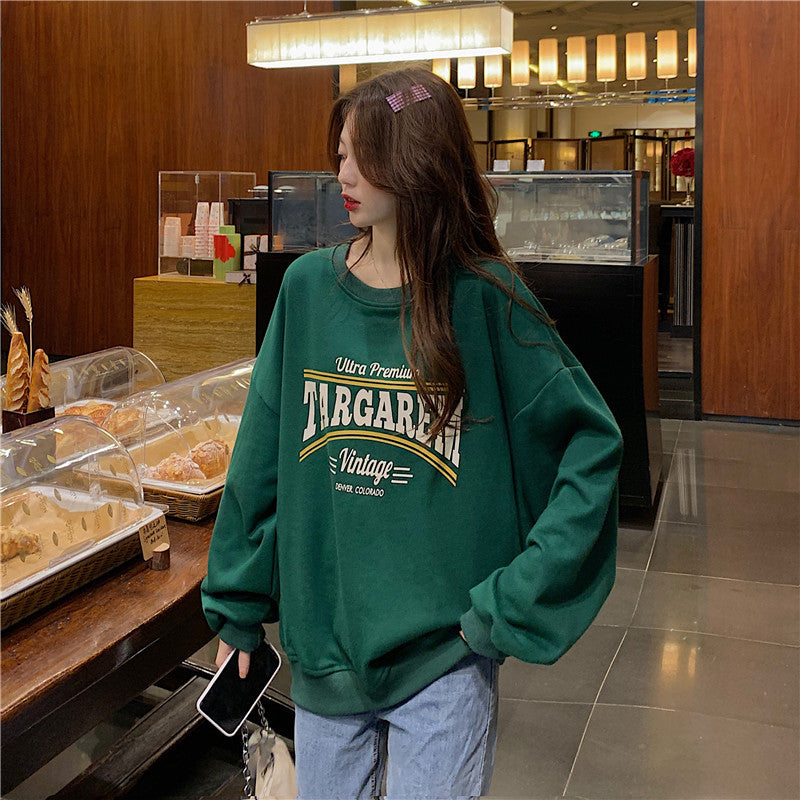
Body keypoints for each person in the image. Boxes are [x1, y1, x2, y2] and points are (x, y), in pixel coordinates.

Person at [201, 66, 623, 800]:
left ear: (417, 160)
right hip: (325, 657)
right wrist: (237, 605)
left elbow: (590, 447)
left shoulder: (485, 298)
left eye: (365, 156)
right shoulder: (307, 290)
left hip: (443, 665)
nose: (344, 175)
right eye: (340, 155)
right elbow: (259, 459)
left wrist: (506, 605)